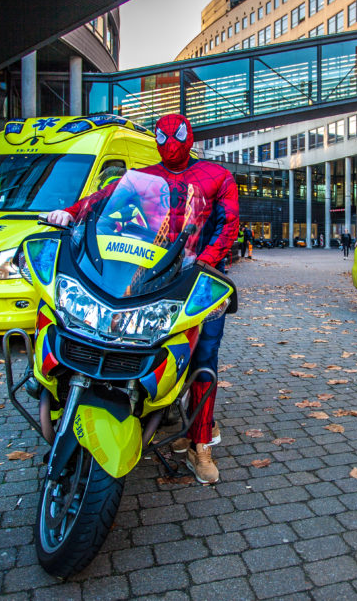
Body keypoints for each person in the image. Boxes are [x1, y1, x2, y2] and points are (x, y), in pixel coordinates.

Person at [47, 113, 238, 484]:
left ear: (189, 135)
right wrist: (68, 215)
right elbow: (102, 203)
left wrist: (207, 262)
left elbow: (228, 225)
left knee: (203, 357)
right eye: (163, 136)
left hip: (197, 278)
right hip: (148, 277)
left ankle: (200, 443)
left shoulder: (217, 177)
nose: (170, 142)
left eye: (176, 135)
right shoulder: (144, 176)